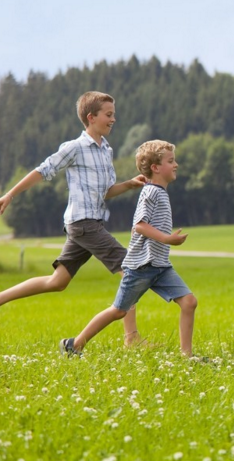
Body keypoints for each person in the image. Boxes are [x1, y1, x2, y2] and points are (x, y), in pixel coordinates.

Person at [0, 91, 147, 346]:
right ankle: (131, 337)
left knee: (57, 282)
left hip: (88, 224)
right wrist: (10, 194)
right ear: (91, 117)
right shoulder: (75, 148)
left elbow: (106, 192)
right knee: (130, 269)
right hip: (83, 223)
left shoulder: (106, 150)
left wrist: (129, 185)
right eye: (108, 115)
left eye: (114, 114)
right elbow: (42, 170)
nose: (114, 119)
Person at [60, 140, 197, 357]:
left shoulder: (160, 192)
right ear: (155, 167)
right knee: (118, 311)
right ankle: (73, 344)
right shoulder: (150, 192)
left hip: (160, 266)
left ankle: (187, 357)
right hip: (140, 268)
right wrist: (166, 239)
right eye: (171, 161)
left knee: (189, 302)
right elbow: (139, 226)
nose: (176, 164)